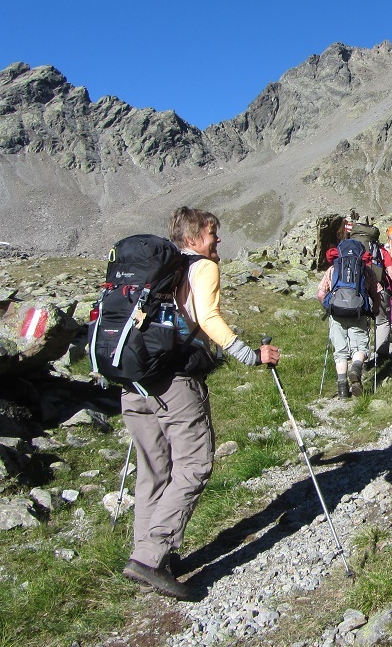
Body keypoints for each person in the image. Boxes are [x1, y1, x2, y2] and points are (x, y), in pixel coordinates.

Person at [121, 207, 280, 600]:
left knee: (152, 470)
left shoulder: (157, 270)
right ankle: (151, 559)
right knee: (194, 464)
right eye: (212, 234)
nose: (217, 241)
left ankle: (148, 555)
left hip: (134, 379)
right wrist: (250, 356)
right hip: (175, 380)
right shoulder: (202, 267)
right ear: (193, 237)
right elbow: (207, 317)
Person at [317, 240, 382, 398]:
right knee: (360, 347)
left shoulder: (333, 270)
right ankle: (356, 369)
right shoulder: (367, 272)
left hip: (337, 314)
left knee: (340, 352)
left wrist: (329, 307)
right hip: (358, 313)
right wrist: (374, 310)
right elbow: (377, 294)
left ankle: (343, 390)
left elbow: (320, 293)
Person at [349, 222, 392, 361]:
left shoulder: (348, 250)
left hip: (355, 291)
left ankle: (359, 359)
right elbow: (391, 271)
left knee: (359, 325)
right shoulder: (380, 250)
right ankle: (382, 356)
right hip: (377, 289)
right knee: (381, 322)